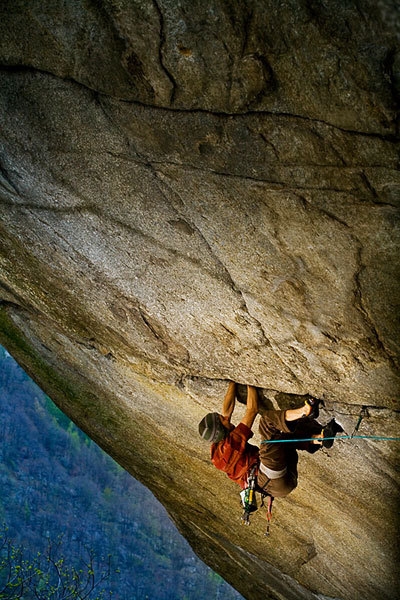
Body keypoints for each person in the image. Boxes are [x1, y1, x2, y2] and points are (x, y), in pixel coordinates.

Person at [198, 381, 343, 498]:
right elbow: (252, 410)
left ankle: (320, 438)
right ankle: (305, 411)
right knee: (268, 422)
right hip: (267, 475)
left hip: (279, 485)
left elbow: (226, 413)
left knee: (280, 436)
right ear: (221, 428)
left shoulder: (218, 446)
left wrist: (232, 381)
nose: (225, 417)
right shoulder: (231, 444)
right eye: (221, 420)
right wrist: (248, 380)